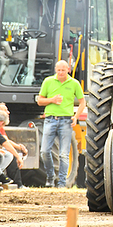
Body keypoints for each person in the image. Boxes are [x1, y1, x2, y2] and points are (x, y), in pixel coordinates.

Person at [37, 60, 85, 188]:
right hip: (50, 119)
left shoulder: (74, 83)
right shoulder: (48, 81)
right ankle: (51, 176)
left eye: (63, 70)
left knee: (64, 154)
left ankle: (62, 183)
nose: (61, 73)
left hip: (66, 121)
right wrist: (52, 100)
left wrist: (76, 117)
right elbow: (40, 101)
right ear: (55, 70)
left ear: (68, 69)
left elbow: (82, 102)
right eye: (58, 70)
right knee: (44, 151)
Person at [0, 103, 28, 189]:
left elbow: (5, 140)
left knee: (8, 154)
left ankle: (13, 182)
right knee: (9, 154)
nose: (8, 112)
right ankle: (0, 177)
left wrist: (18, 148)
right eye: (5, 111)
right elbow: (4, 141)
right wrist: (18, 149)